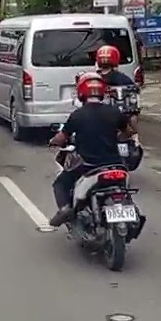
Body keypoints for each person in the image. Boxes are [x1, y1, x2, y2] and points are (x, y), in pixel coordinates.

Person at [47, 74, 133, 227]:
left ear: (81, 92)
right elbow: (128, 131)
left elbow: (61, 138)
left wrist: (53, 141)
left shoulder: (77, 115)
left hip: (88, 165)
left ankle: (65, 209)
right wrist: (117, 137)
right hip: (115, 164)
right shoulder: (114, 112)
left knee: (60, 183)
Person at [94, 44, 140, 133]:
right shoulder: (124, 79)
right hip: (120, 117)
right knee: (133, 118)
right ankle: (135, 139)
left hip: (98, 118)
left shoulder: (93, 79)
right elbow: (133, 105)